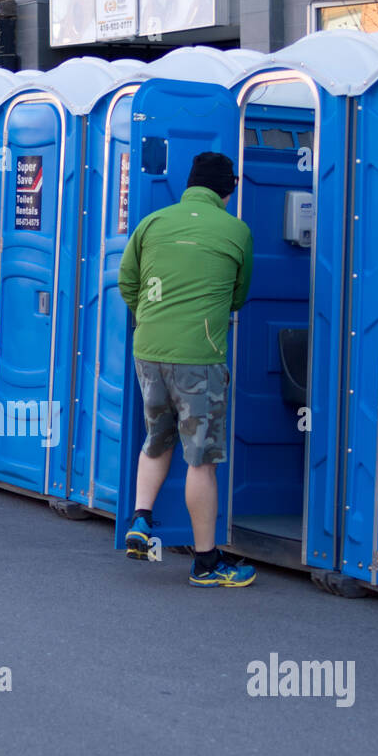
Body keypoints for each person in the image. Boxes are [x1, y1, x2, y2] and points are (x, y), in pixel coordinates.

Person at [118, 152, 257, 588]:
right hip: (199, 355)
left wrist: (152, 318)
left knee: (157, 439)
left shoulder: (153, 222)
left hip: (149, 348)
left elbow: (127, 281)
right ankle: (206, 562)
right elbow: (238, 296)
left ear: (189, 183)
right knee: (201, 459)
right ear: (228, 189)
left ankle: (141, 518)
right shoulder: (236, 230)